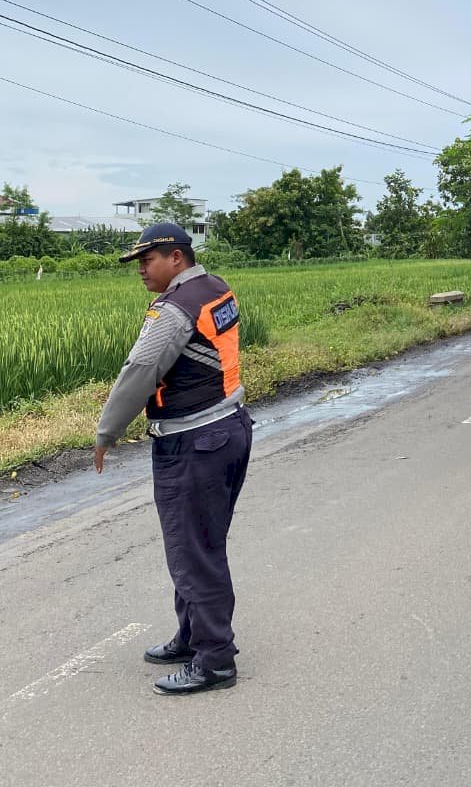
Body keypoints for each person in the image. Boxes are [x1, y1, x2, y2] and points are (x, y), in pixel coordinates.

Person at [93, 222, 253, 696]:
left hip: (193, 442)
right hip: (228, 429)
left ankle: (215, 661)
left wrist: (107, 432)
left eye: (148, 260)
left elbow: (140, 370)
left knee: (192, 551)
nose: (141, 269)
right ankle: (191, 636)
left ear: (176, 258)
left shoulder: (173, 310)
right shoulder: (215, 289)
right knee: (201, 544)